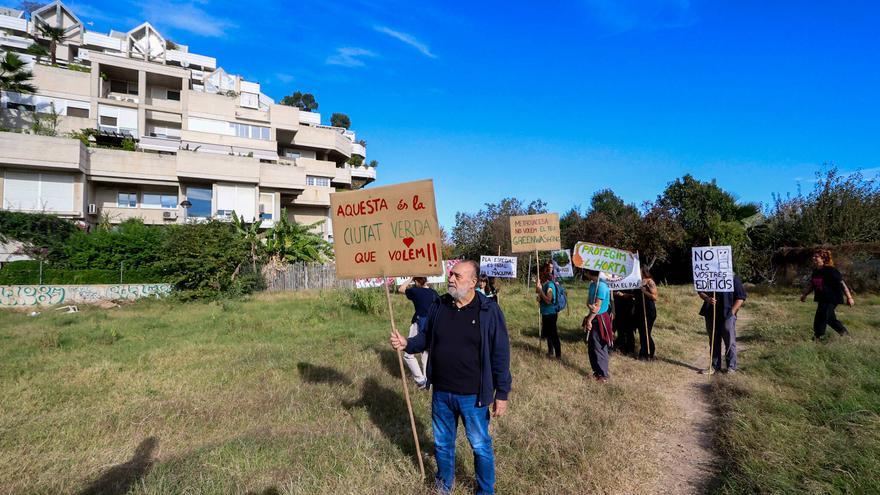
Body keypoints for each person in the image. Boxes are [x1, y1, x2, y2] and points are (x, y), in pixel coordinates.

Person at [390, 260, 511, 495]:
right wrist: (407, 343)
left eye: (457, 275)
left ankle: (485, 491)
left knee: (480, 446)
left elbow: (500, 354)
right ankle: (443, 486)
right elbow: (425, 338)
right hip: (442, 393)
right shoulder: (440, 305)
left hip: (473, 396)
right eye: (451, 274)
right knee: (443, 445)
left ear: (473, 282)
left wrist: (502, 393)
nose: (451, 279)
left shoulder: (488, 311)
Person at [800, 249, 855, 340]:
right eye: (814, 256)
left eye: (816, 257)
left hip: (832, 298)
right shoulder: (816, 271)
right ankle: (846, 336)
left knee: (821, 317)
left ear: (823, 259)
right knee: (830, 319)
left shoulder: (831, 270)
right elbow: (812, 285)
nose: (813, 258)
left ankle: (818, 337)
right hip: (821, 298)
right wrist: (805, 294)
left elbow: (842, 284)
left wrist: (849, 297)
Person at [397, 277, 440, 389]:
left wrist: (410, 278)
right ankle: (428, 382)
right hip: (433, 324)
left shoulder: (416, 291)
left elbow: (401, 289)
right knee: (426, 353)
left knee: (408, 354)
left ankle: (420, 379)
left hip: (419, 322)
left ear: (416, 281)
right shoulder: (434, 293)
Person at [698, 275, 747, 373]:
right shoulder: (708, 277)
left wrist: (731, 313)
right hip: (711, 314)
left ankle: (731, 367)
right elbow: (700, 291)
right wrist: (707, 299)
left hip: (727, 315)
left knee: (729, 341)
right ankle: (715, 366)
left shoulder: (733, 278)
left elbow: (740, 298)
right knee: (713, 340)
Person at [582, 269, 613, 382]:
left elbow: (598, 307)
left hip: (600, 318)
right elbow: (589, 303)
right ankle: (596, 372)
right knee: (592, 347)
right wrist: (591, 310)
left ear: (590, 273)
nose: (585, 274)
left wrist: (589, 320)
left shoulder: (602, 287)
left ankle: (603, 374)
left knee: (599, 346)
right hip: (593, 315)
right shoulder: (592, 285)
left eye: (586, 272)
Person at [535, 261, 561, 359]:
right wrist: (539, 297)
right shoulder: (545, 285)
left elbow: (548, 300)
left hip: (551, 313)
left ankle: (558, 355)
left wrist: (541, 292)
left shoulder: (550, 286)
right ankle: (550, 352)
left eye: (541, 275)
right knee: (548, 333)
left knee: (553, 334)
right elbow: (542, 299)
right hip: (545, 313)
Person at [635, 267, 658, 360]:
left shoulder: (650, 282)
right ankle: (642, 353)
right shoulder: (638, 281)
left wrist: (645, 292)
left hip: (648, 310)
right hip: (640, 309)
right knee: (642, 332)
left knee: (646, 332)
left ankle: (649, 352)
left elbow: (655, 297)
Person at [612, 289, 636, 355]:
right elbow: (610, 291)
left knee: (629, 329)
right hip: (617, 307)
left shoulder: (631, 281)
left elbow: (636, 295)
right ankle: (621, 346)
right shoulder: (616, 280)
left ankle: (630, 348)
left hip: (629, 308)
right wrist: (616, 293)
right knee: (620, 327)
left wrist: (626, 295)